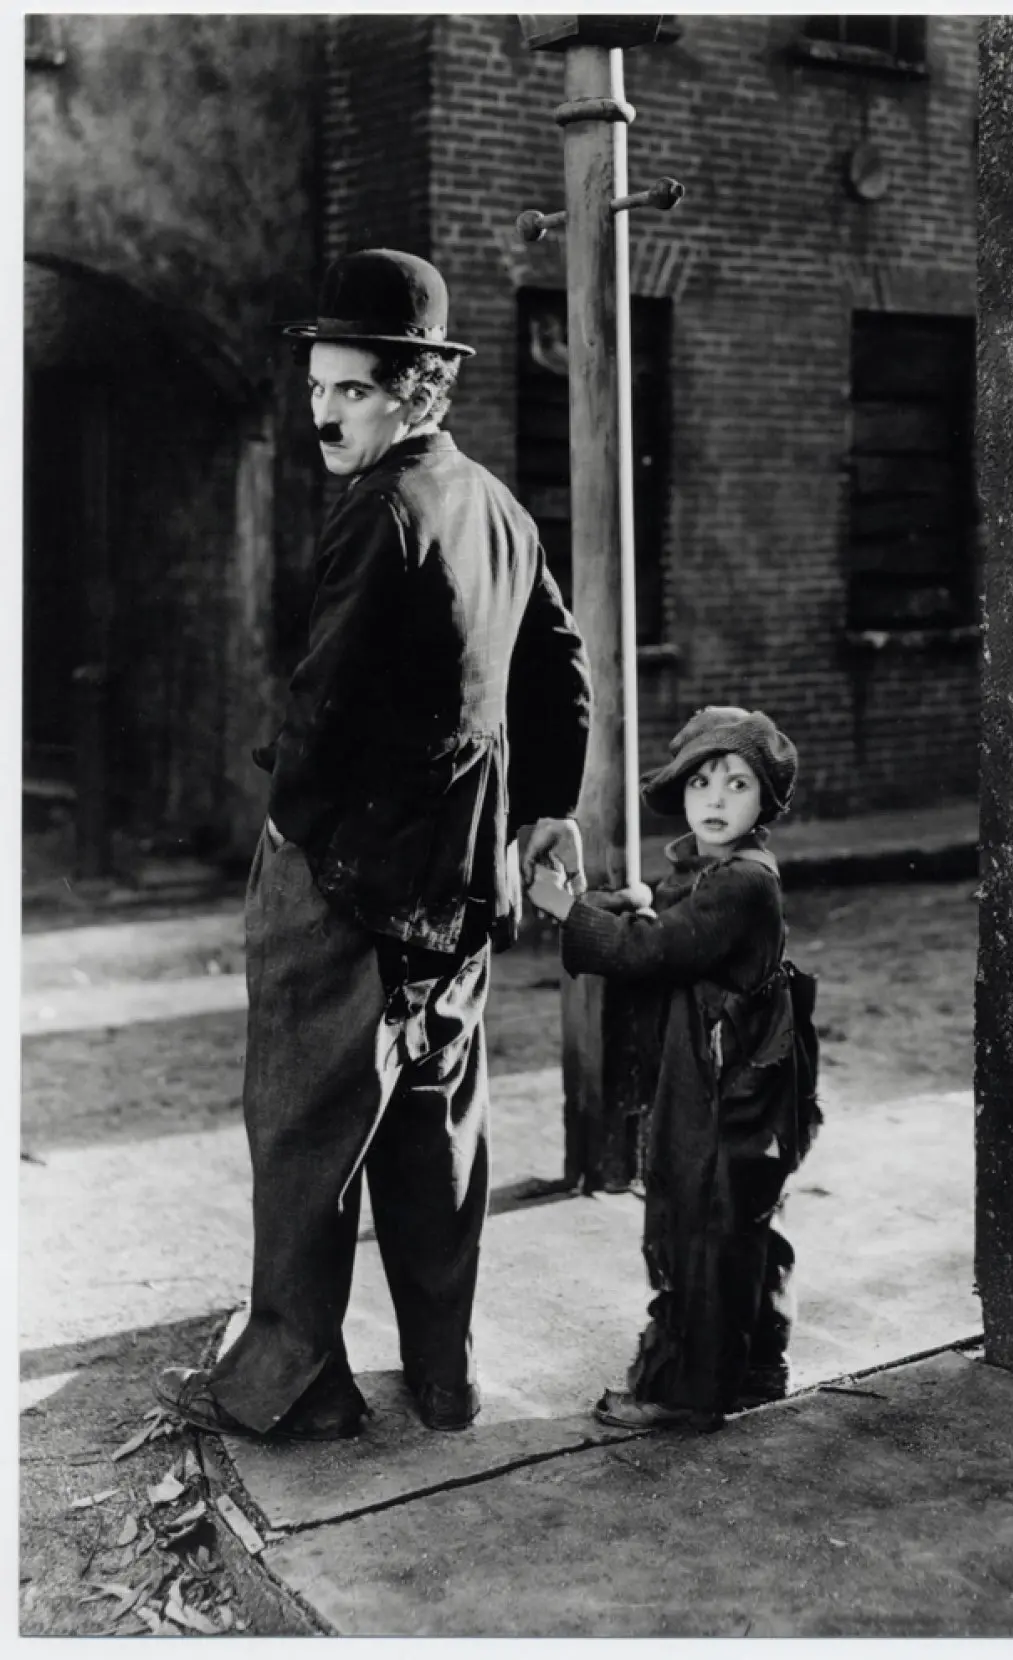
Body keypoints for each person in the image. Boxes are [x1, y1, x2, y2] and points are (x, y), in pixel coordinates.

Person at [156, 248, 591, 1439]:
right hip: (454, 889)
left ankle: (298, 1394)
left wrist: (291, 819)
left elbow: (324, 704)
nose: (323, 413)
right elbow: (560, 668)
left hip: (343, 884)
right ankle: (443, 1378)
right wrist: (546, 808)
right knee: (435, 1137)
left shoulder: (382, 512)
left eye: (351, 390)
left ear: (418, 391)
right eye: (316, 389)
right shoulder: (499, 507)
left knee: (303, 1138)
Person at [528, 706, 820, 1431]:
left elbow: (653, 950)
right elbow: (670, 917)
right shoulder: (721, 871)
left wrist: (561, 907)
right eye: (701, 784)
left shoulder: (742, 883)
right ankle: (753, 1362)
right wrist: (631, 903)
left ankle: (685, 1393)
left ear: (765, 802)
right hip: (745, 1072)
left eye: (737, 784)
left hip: (729, 1084)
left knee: (703, 1217)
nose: (715, 800)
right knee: (740, 1218)